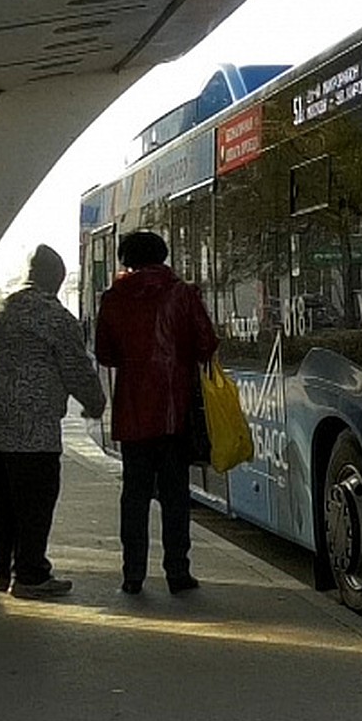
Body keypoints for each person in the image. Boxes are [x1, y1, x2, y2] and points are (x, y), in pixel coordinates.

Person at [0, 245, 106, 598]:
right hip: (29, 423)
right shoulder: (55, 316)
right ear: (54, 279)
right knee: (34, 501)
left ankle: (2, 571)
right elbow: (77, 369)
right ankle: (31, 575)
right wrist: (96, 404)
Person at [94, 230, 217, 595]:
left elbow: (105, 354)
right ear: (163, 255)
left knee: (134, 495)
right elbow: (206, 343)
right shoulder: (182, 293)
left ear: (126, 258)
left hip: (132, 415)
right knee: (175, 495)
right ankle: (178, 571)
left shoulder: (114, 298)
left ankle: (133, 574)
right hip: (174, 413)